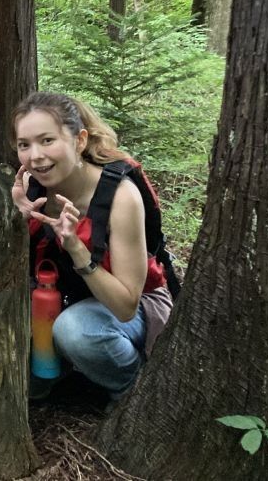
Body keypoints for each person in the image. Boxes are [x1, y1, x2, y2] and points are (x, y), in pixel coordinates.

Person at [10, 91, 173, 400]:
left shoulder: (120, 196)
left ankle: (132, 390)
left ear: (79, 140)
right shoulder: (29, 189)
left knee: (76, 331)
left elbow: (126, 306)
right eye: (24, 145)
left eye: (47, 140)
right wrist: (15, 223)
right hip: (64, 298)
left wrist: (75, 247)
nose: (36, 156)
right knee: (27, 382)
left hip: (135, 307)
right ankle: (65, 372)